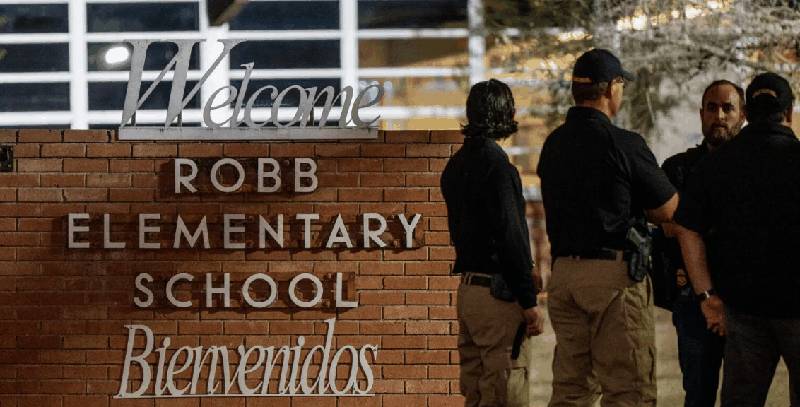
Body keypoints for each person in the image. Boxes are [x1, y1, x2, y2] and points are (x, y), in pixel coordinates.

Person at [537, 48, 678, 407]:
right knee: (628, 390)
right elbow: (667, 208)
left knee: (572, 390)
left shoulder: (553, 144)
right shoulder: (623, 144)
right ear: (612, 88)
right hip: (612, 279)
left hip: (565, 276)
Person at [673, 72, 800, 406]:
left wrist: (706, 295)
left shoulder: (717, 165)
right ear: (788, 113)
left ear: (747, 113)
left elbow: (687, 229)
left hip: (743, 311)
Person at [441, 78, 545, 407]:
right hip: (498, 296)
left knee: (475, 393)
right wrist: (529, 302)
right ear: (507, 113)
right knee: (506, 391)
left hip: (469, 292)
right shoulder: (499, 168)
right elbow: (511, 237)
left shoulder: (455, 166)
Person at [660, 80, 745, 407]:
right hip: (694, 300)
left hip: (745, 301)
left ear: (743, 114)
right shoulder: (678, 169)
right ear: (701, 114)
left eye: (728, 108)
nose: (719, 115)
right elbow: (666, 226)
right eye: (712, 108)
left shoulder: (752, 166)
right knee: (698, 392)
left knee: (744, 394)